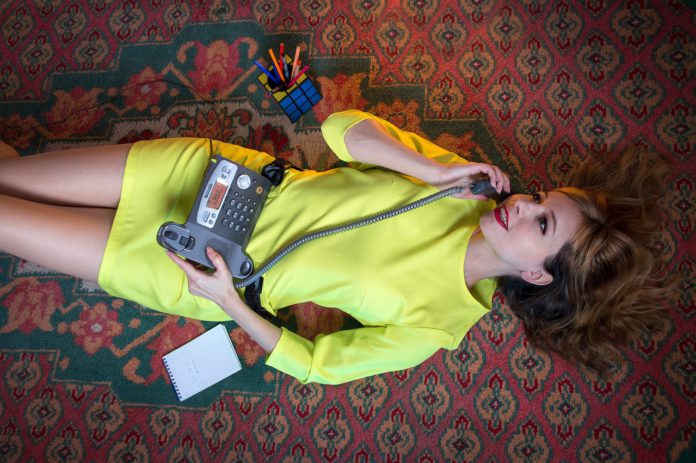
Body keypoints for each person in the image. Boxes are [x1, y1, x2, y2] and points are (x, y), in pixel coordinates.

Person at [0, 110, 670, 384]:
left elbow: (319, 364)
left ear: (533, 270)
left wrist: (227, 301)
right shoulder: (460, 186)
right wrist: (432, 170)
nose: (523, 202)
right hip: (210, 179)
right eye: (543, 198)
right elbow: (342, 128)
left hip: (191, 266)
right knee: (9, 172)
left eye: (542, 224)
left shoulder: (441, 321)